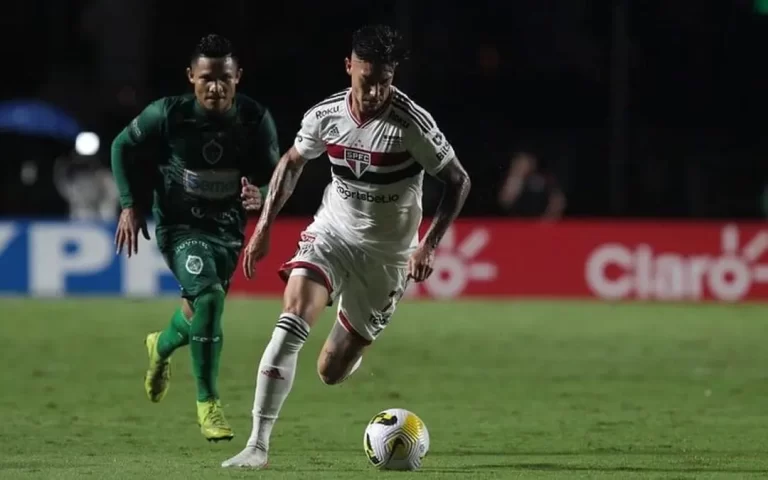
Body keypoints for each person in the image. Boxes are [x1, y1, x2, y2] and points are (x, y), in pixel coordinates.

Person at [222, 24, 471, 468]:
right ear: (348, 67)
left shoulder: (411, 124)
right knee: (291, 318)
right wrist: (262, 229)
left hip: (388, 258)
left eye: (385, 81)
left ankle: (349, 326)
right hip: (333, 233)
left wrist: (428, 246)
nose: (375, 91)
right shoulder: (325, 115)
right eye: (366, 79)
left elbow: (458, 180)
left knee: (329, 371)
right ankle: (257, 444)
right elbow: (292, 163)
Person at [110, 34, 280, 442]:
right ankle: (209, 405)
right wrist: (130, 204)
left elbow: (276, 175)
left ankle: (161, 346)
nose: (215, 87)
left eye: (224, 78)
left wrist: (261, 192)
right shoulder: (167, 114)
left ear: (238, 77)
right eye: (206, 78)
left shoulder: (255, 120)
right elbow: (120, 146)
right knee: (209, 299)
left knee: (197, 312)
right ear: (191, 77)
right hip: (180, 227)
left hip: (227, 230)